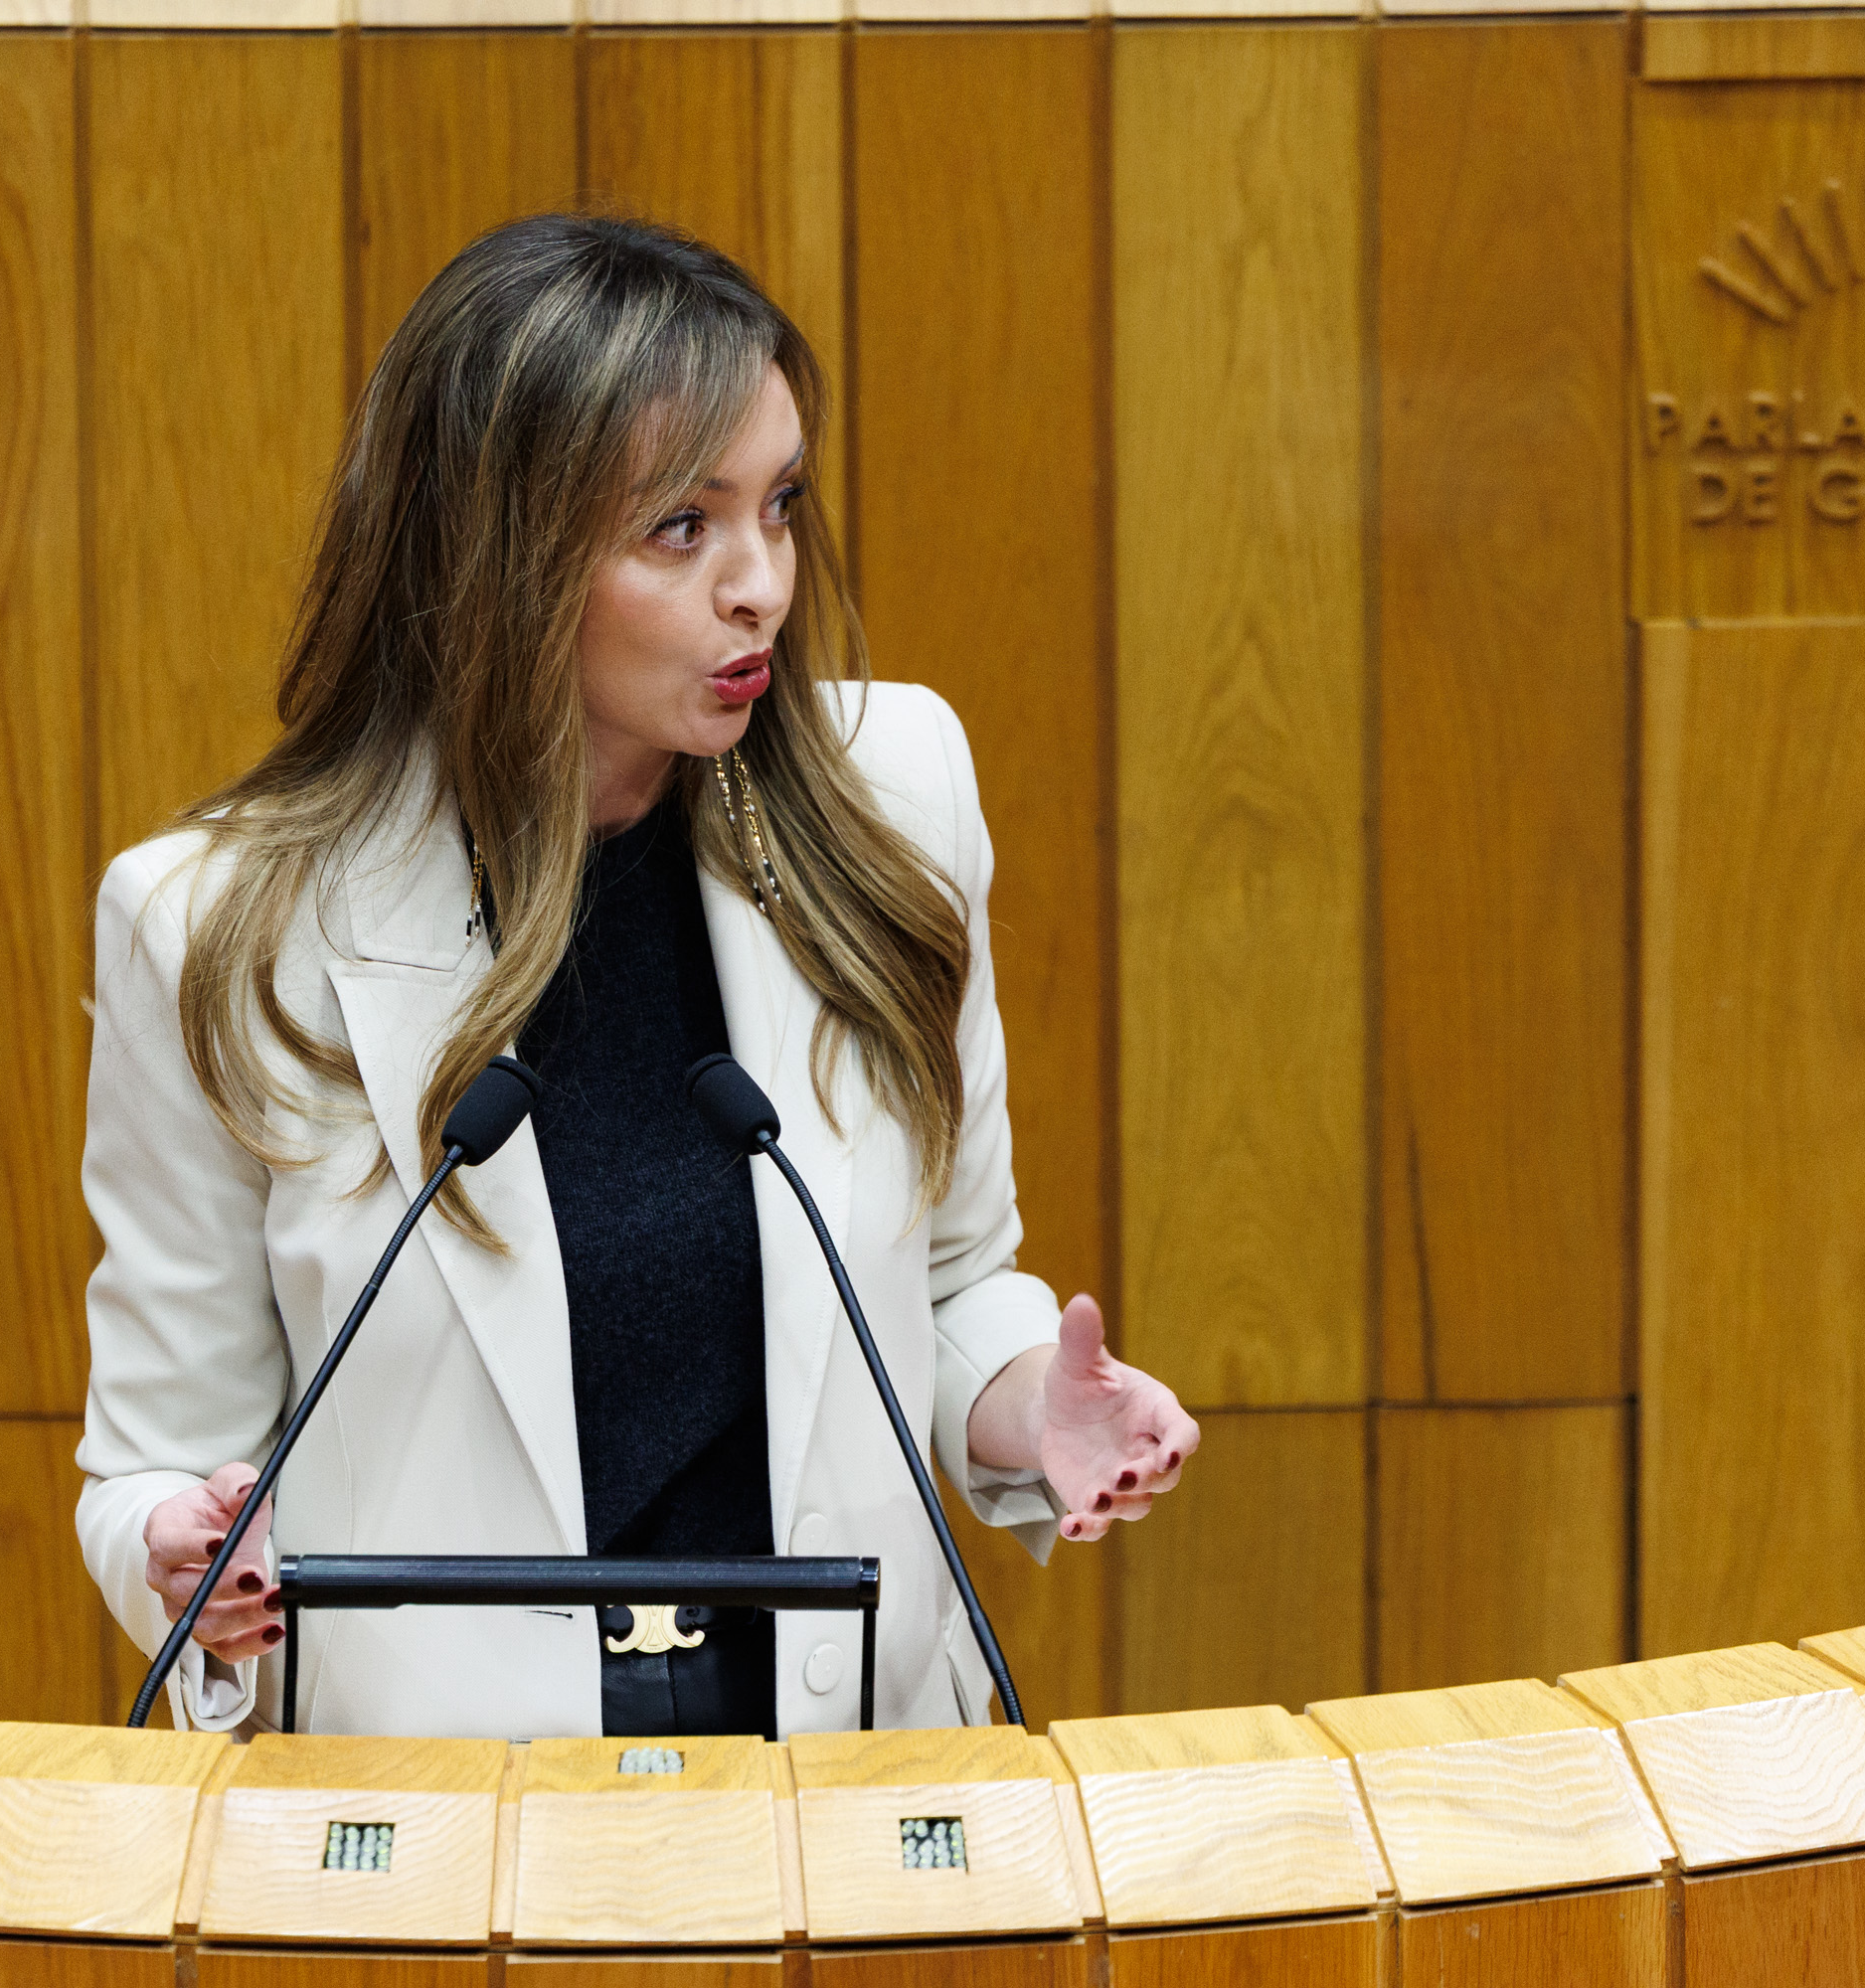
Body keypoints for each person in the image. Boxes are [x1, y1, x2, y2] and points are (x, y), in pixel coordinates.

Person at [75, 213, 1200, 1740]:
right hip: (447, 1807)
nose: (762, 585)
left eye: (780, 505)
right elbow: (156, 1456)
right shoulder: (216, 926)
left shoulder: (895, 797)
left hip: (846, 1766)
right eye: (683, 528)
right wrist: (184, 1553)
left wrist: (1029, 1403)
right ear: (500, 559)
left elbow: (946, 1286)